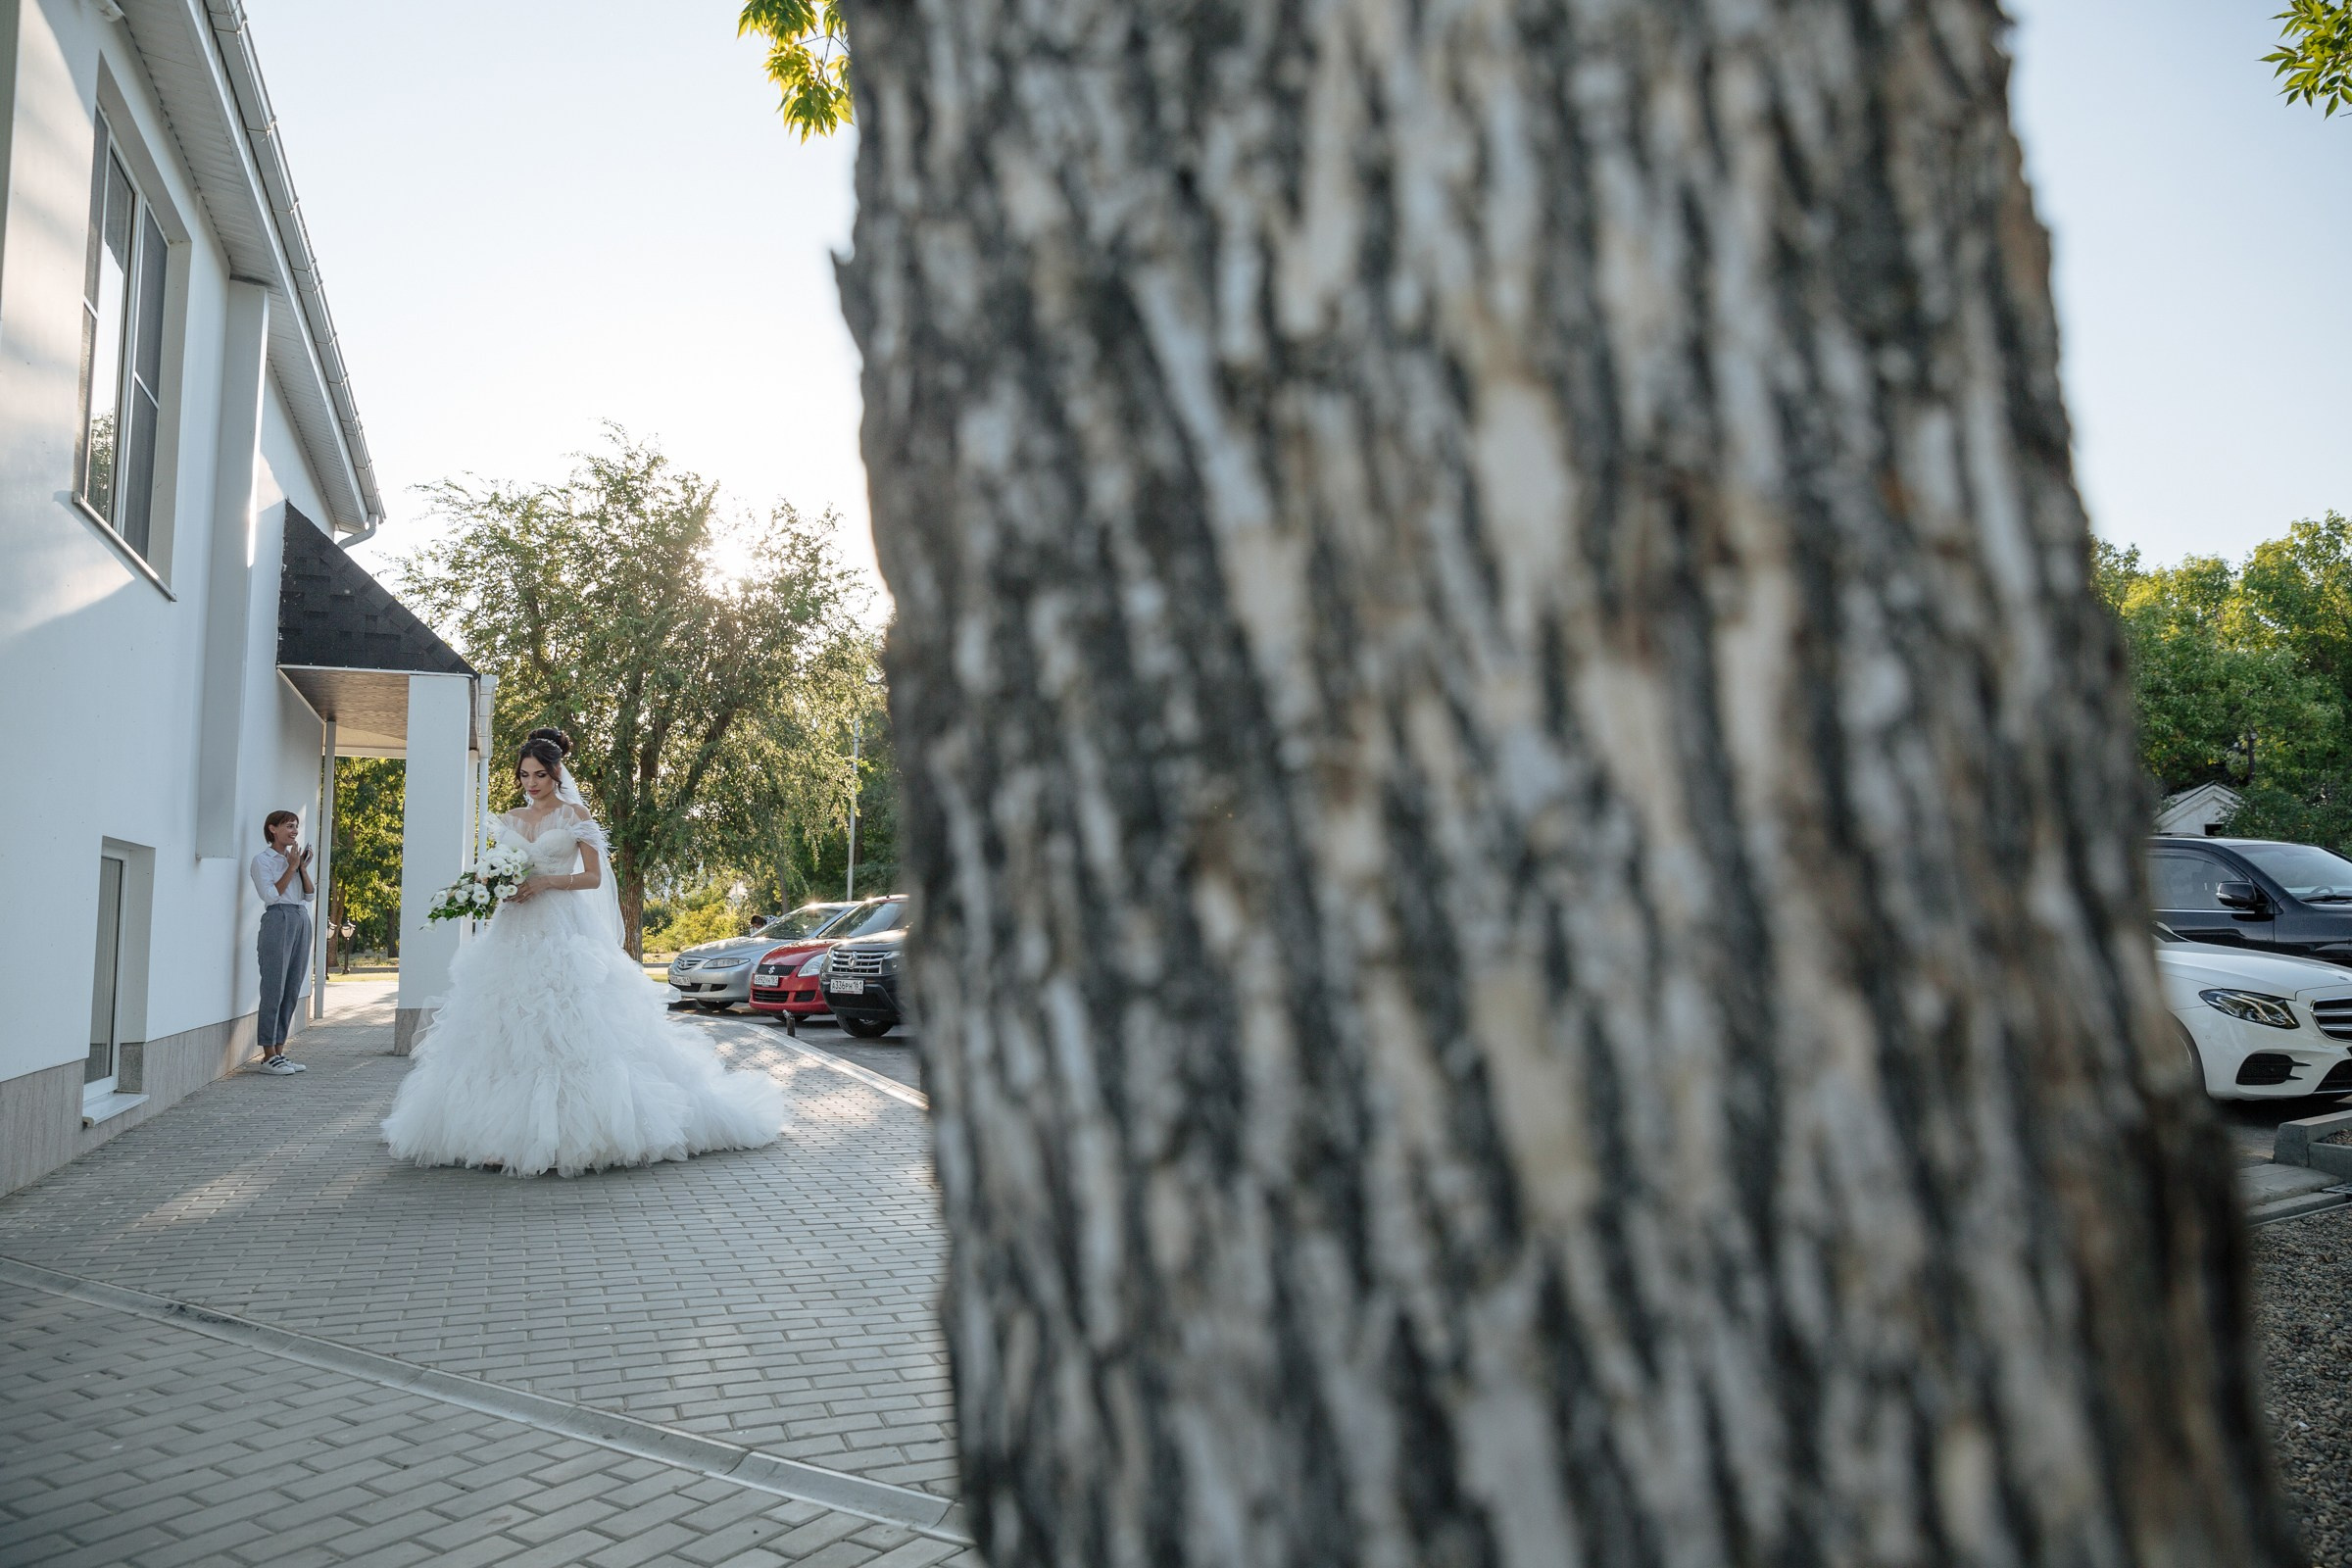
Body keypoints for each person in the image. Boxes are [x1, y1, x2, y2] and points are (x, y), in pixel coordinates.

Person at [380, 728, 784, 1176]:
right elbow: (496, 871)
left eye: (538, 774)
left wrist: (545, 881)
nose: (530, 783)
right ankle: (495, 1132)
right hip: (512, 931)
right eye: (523, 775)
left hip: (562, 927)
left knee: (569, 1023)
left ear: (555, 774)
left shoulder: (575, 815)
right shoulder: (511, 819)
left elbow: (592, 877)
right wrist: (496, 887)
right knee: (503, 1026)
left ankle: (568, 1133)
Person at [249, 809, 315, 1075]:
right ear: (272, 829)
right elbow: (271, 895)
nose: (294, 831)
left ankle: (279, 1051)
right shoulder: (262, 860)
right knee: (273, 987)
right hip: (278, 918)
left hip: (300, 917)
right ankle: (267, 1055)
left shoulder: (295, 859)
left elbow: (309, 895)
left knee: (291, 988)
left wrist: (300, 867)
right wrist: (290, 867)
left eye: (296, 826)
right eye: (289, 826)